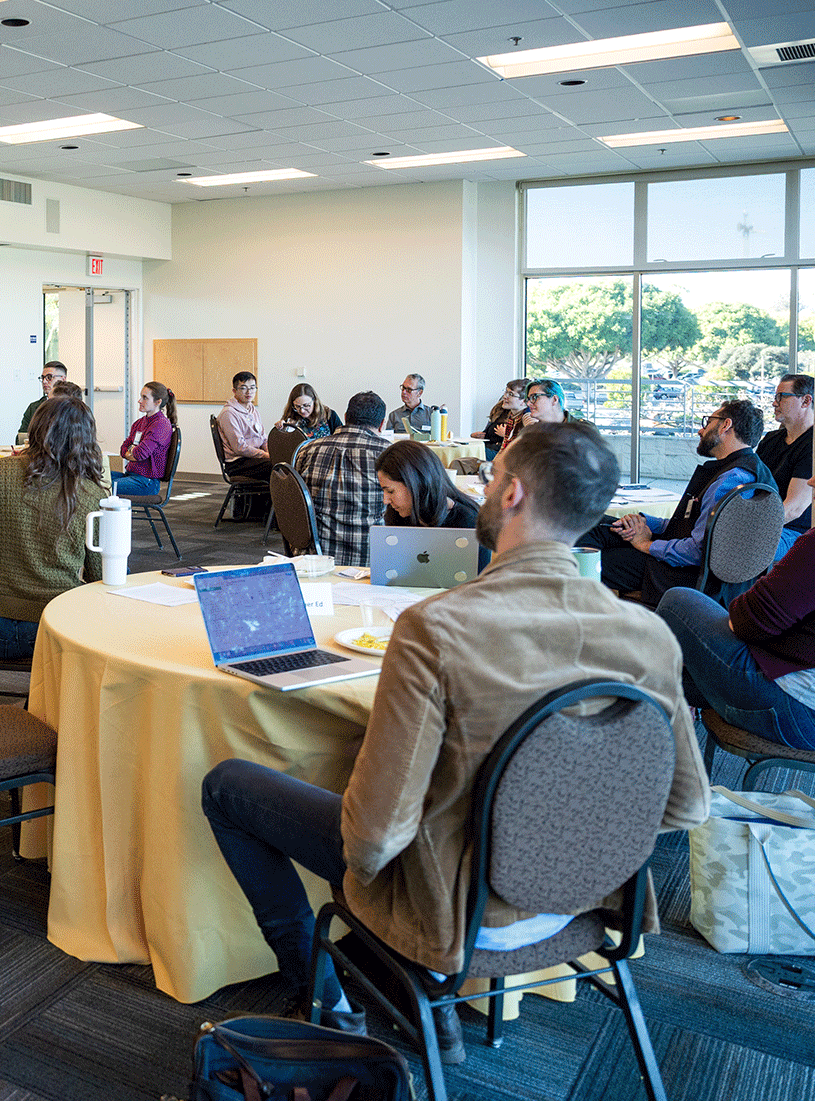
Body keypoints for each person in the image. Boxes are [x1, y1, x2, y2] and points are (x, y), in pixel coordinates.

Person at [202, 421, 710, 1057]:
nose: (487, 488)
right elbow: (686, 807)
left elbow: (376, 837)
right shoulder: (648, 636)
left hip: (458, 914)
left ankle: (325, 991)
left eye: (494, 478)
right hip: (591, 906)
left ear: (513, 494)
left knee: (228, 787)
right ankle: (419, 992)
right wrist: (557, 832)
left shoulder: (437, 629)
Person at [658, 423, 815, 752]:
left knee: (678, 601)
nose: (813, 480)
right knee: (679, 672)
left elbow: (748, 622)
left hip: (809, 718)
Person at [0, 395, 105, 660]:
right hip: (57, 627)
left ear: (36, 428)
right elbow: (101, 576)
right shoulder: (90, 493)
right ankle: (62, 700)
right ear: (85, 439)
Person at [579, 398, 774, 606]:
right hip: (692, 565)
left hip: (689, 576)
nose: (701, 431)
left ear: (725, 425)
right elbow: (692, 526)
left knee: (592, 558)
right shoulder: (750, 470)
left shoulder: (730, 481)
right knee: (594, 524)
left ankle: (580, 615)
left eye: (707, 422)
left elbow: (697, 551)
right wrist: (644, 522)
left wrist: (646, 544)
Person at [294, 392, 389, 567]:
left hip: (314, 560)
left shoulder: (308, 449)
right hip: (372, 560)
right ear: (382, 424)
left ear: (345, 417)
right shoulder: (390, 455)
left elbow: (294, 504)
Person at [755, 373, 815, 560]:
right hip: (762, 523)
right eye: (775, 397)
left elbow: (794, 508)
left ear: (805, 401)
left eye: (781, 397)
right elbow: (752, 484)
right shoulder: (771, 439)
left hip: (792, 531)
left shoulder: (814, 443)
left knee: (746, 546)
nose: (774, 403)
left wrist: (749, 527)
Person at [376, 440, 480, 530]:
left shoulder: (468, 521)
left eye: (390, 491)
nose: (385, 501)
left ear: (417, 483)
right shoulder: (397, 515)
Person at [111, 381, 176, 497]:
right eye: (141, 397)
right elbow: (123, 449)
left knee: (104, 486)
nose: (140, 401)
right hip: (132, 475)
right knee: (95, 478)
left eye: (145, 398)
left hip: (147, 482)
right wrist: (131, 453)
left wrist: (131, 452)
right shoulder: (139, 423)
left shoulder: (161, 424)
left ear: (158, 402)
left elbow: (140, 454)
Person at [217, 371, 270, 484]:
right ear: (234, 391)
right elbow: (240, 447)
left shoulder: (252, 409)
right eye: (243, 388)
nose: (249, 392)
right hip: (238, 463)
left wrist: (270, 452)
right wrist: (265, 455)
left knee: (283, 464)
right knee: (277, 467)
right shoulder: (229, 413)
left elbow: (263, 437)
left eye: (252, 388)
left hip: (254, 458)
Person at [479, 379, 529, 460]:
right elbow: (503, 449)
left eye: (511, 394)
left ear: (523, 401)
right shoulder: (512, 416)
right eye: (506, 392)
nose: (505, 396)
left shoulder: (527, 418)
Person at [275, 384, 341, 439]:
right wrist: (281, 429)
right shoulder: (291, 417)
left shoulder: (329, 415)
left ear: (314, 401)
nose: (302, 410)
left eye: (306, 405)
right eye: (297, 406)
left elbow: (341, 438)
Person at [19, 361, 66, 435]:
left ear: (63, 379)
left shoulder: (72, 407)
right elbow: (20, 437)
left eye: (49, 377)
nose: (44, 381)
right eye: (43, 378)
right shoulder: (33, 407)